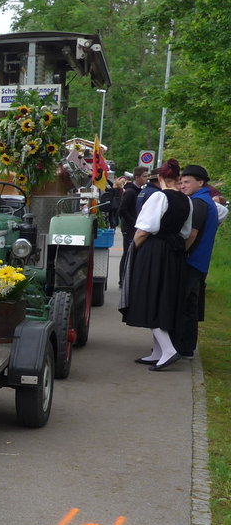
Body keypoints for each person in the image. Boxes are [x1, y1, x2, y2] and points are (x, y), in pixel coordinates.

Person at [119, 159, 190, 371]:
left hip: (153, 251)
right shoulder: (186, 201)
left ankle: (168, 349)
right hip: (174, 253)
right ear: (177, 179)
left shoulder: (158, 196)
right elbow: (186, 233)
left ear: (159, 178)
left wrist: (136, 249)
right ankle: (158, 352)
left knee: (148, 297)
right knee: (163, 298)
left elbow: (143, 230)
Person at [175, 164, 229, 358]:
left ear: (201, 182)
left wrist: (180, 253)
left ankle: (177, 347)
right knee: (190, 306)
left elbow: (192, 234)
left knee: (181, 305)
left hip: (192, 261)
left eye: (187, 182)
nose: (183, 185)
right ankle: (187, 348)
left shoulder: (198, 202)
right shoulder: (207, 201)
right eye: (181, 182)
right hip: (201, 262)